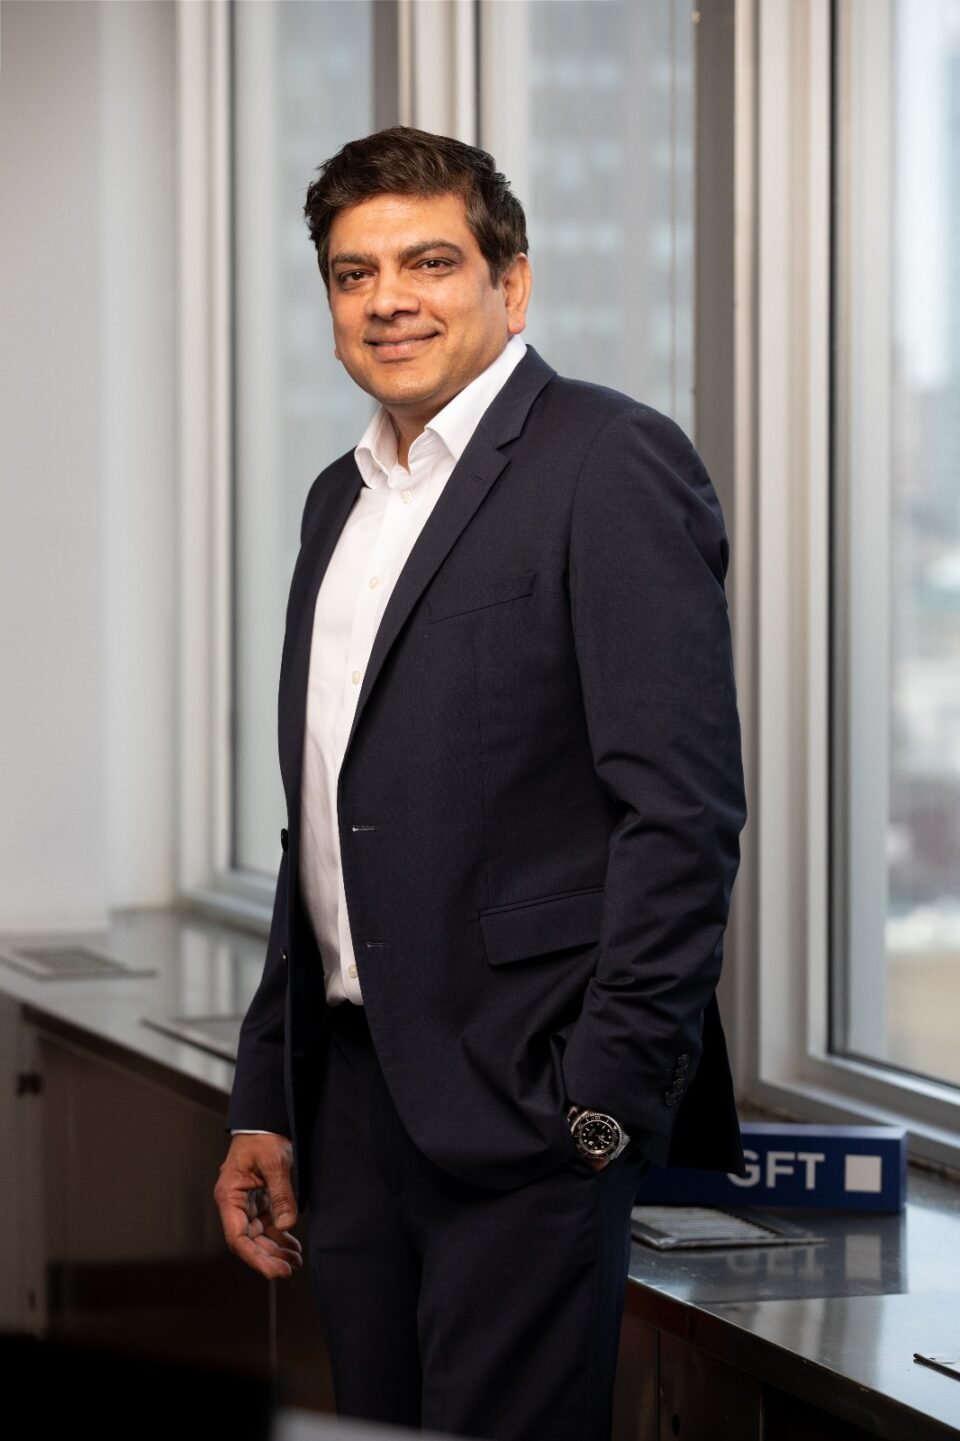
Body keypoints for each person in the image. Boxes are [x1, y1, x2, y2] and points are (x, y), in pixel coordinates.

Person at [215, 126, 746, 1441]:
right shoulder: (338, 502)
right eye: (354, 273)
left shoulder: (609, 462)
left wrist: (600, 1104)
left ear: (512, 284)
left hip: (526, 1108)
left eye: (430, 262)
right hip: (350, 1110)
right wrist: (267, 1100)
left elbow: (681, 815)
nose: (388, 299)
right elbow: (325, 825)